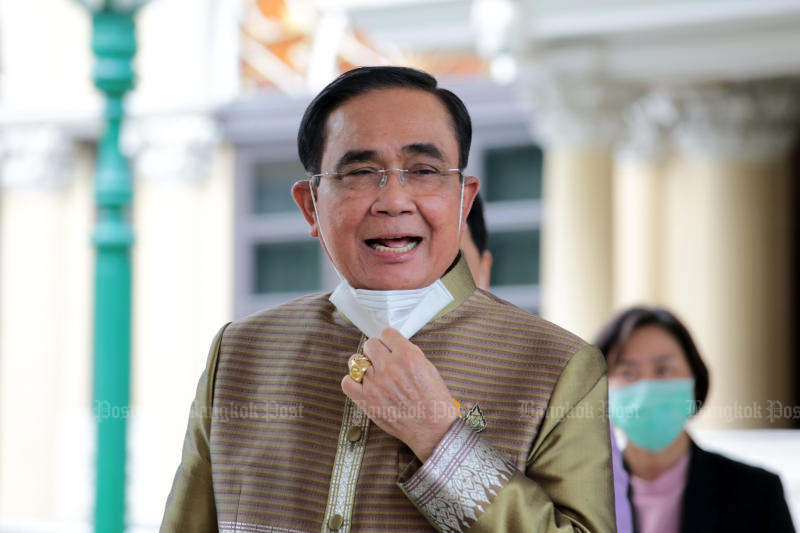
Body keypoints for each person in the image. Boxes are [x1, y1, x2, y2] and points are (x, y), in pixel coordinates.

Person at [161, 66, 615, 532]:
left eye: (423, 171)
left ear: (463, 201)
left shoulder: (556, 366)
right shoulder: (241, 353)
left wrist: (439, 439)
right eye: (361, 172)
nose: (394, 199)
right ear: (309, 205)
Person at [461, 195, 633, 533]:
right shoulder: (336, 370)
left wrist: (439, 443)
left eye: (451, 266)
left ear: (484, 269)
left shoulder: (559, 380)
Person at [596, 306, 796, 533]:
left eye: (664, 370)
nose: (647, 388)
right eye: (628, 373)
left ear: (695, 380)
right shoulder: (585, 496)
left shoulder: (757, 492)